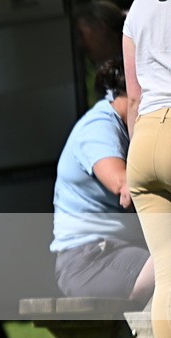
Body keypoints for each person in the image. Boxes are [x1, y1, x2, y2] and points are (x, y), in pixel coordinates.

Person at [51, 58, 154, 305]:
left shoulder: (131, 129)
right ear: (134, 96)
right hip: (90, 261)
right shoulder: (99, 128)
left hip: (118, 251)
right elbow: (125, 186)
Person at [123, 0, 171, 338]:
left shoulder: (137, 9)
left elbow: (133, 97)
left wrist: (135, 150)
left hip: (144, 144)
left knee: (168, 275)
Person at [73, 0, 127, 107]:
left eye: (81, 34)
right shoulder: (102, 68)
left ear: (101, 27)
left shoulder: (132, 64)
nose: (80, 43)